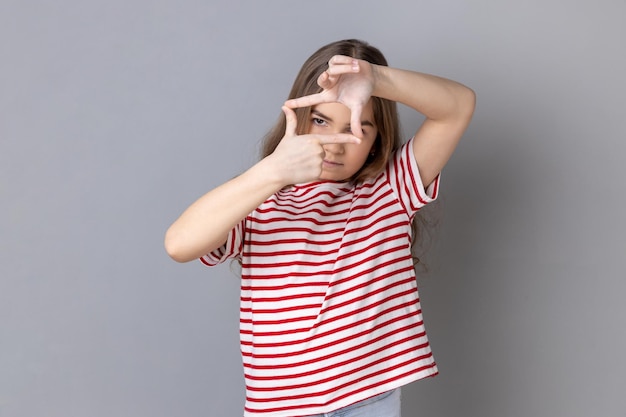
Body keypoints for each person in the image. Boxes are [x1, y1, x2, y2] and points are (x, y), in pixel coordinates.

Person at [165, 39, 475, 417]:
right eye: (321, 121)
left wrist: (375, 80)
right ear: (297, 115)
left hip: (367, 402)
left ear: (378, 141)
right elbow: (179, 244)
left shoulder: (390, 189)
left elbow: (457, 107)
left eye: (359, 127)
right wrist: (273, 171)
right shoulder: (260, 198)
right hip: (280, 409)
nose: (336, 144)